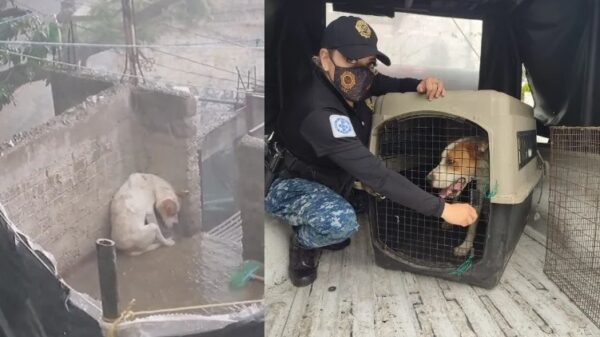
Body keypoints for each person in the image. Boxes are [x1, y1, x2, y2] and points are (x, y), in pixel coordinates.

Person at [265, 16, 477, 287]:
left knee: (377, 204)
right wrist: (444, 210)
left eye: (368, 64)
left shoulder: (351, 82)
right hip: (292, 182)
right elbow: (377, 175)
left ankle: (328, 214)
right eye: (352, 62)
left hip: (331, 177)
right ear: (326, 58)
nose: (362, 72)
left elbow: (388, 84)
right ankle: (304, 243)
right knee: (341, 223)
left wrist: (420, 84)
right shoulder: (318, 110)